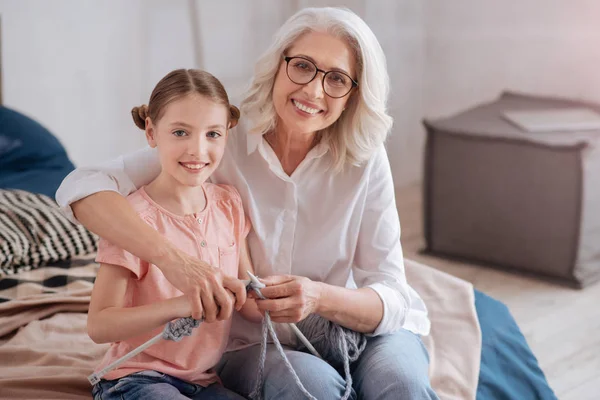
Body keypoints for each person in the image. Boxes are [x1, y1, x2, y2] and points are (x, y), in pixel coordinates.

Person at [58, 7, 438, 400]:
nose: (313, 91)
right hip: (252, 343)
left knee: (404, 387)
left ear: (352, 95)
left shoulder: (365, 156)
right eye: (303, 66)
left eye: (337, 78)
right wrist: (174, 261)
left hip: (352, 327)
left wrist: (319, 297)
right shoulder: (219, 139)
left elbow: (391, 291)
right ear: (278, 64)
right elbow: (82, 185)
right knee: (317, 390)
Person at [86, 69, 261, 400]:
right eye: (181, 132)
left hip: (204, 380)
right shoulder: (132, 219)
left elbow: (247, 299)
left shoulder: (229, 204)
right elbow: (99, 325)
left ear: (227, 133)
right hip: (136, 378)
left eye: (213, 134)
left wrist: (274, 297)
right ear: (151, 132)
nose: (198, 150)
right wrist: (181, 305)